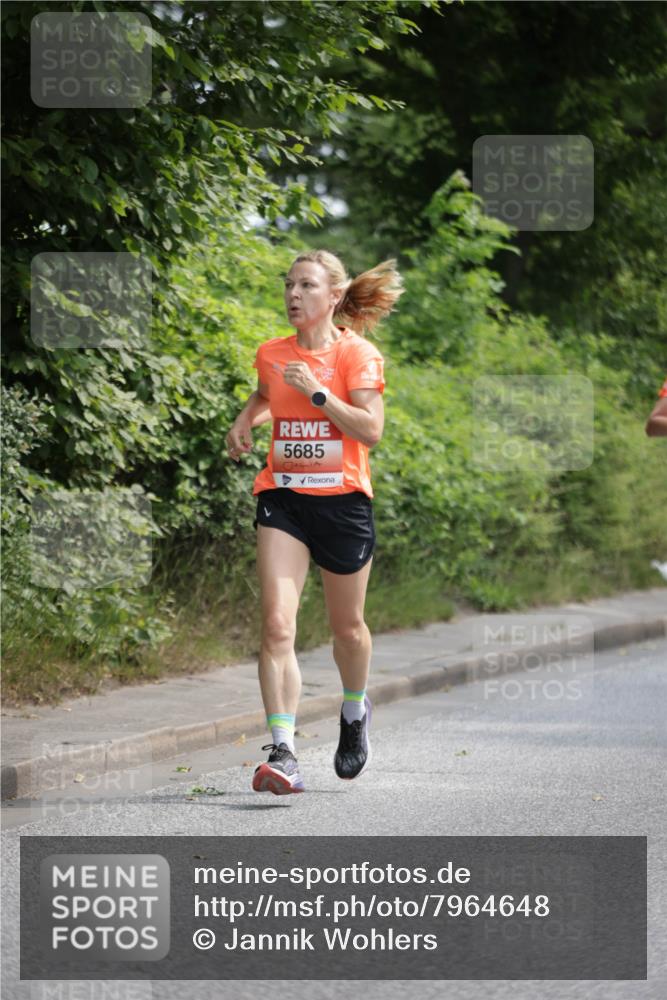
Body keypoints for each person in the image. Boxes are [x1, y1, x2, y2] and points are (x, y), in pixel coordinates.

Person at [225, 248, 404, 795]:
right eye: (288, 285)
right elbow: (265, 394)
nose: (294, 295)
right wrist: (244, 421)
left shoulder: (358, 356)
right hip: (283, 499)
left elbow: (370, 430)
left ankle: (354, 710)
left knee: (347, 629)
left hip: (343, 502)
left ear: (333, 296)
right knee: (277, 625)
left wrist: (317, 392)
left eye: (306, 286)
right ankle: (283, 751)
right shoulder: (271, 353)